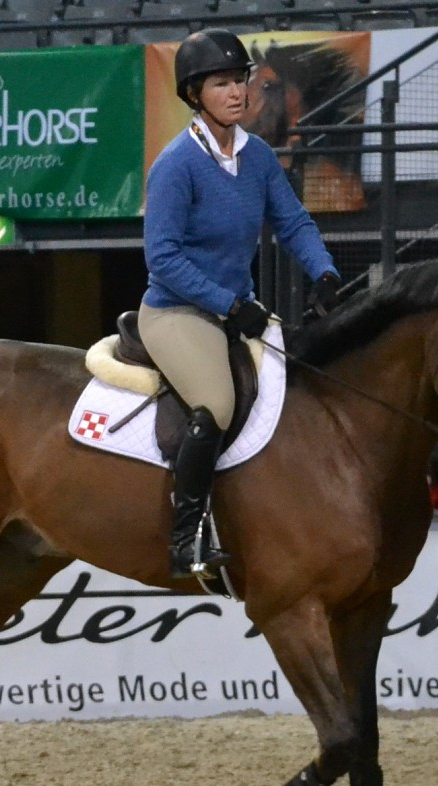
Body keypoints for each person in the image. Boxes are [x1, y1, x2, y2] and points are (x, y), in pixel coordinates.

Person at [139, 28, 340, 580]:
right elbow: (164, 260)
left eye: (240, 81)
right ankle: (186, 540)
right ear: (194, 95)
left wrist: (324, 271)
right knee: (217, 405)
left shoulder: (257, 157)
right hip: (179, 312)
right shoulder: (176, 164)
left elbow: (293, 220)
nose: (236, 93)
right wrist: (230, 306)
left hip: (235, 307)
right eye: (222, 84)